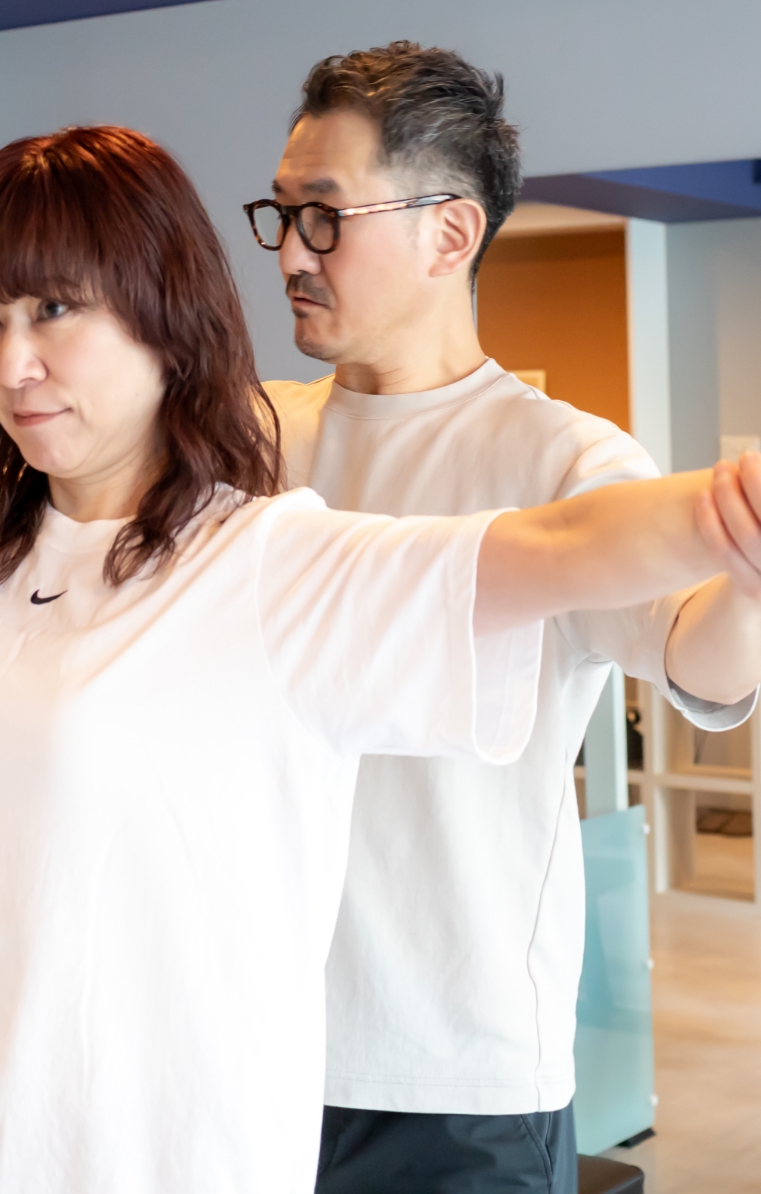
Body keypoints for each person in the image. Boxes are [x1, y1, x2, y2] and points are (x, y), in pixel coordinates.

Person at [0, 127, 755, 1194]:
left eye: (54, 308)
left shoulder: (275, 557)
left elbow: (556, 547)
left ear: (163, 313)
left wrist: (730, 511)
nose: (12, 363)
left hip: (266, 1116)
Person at [247, 42, 761, 1194]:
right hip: (253, 1046)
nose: (289, 252)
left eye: (324, 215)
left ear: (449, 233)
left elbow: (699, 662)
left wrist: (744, 578)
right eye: (279, 213)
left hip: (455, 1080)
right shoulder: (248, 440)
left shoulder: (563, 459)